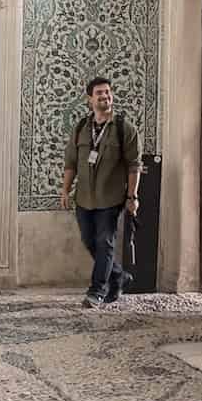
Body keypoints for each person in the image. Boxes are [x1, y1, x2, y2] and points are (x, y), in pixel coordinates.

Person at [59, 76, 141, 308]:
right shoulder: (81, 129)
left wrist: (132, 196)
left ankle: (96, 291)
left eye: (107, 92)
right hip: (84, 197)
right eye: (99, 93)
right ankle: (118, 276)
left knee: (105, 242)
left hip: (111, 198)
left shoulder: (125, 129)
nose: (105, 96)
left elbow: (134, 165)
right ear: (89, 99)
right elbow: (71, 163)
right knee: (90, 241)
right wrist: (65, 191)